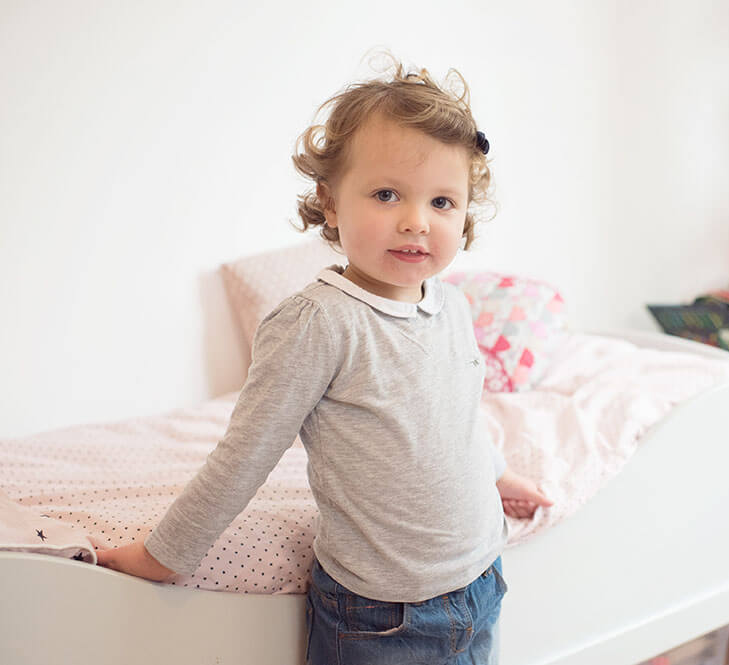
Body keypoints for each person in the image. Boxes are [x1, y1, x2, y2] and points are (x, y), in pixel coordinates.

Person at [96, 53, 553, 664]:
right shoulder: (319, 322)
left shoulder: (451, 307)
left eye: (442, 202)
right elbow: (243, 456)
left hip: (480, 582)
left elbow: (456, 417)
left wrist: (499, 476)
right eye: (387, 194)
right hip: (381, 617)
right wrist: (164, 553)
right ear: (330, 203)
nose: (416, 222)